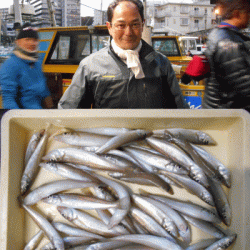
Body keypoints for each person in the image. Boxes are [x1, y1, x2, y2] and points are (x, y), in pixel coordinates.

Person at [58, 0, 189, 109]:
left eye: (135, 24)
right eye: (121, 25)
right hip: (110, 139)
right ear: (109, 27)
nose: (128, 32)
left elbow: (180, 111)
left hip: (151, 139)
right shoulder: (90, 66)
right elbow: (68, 112)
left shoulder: (161, 63)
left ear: (143, 25)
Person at [202, 0, 250, 111]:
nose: (249, 16)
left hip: (218, 110)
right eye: (247, 12)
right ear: (237, 13)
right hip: (227, 115)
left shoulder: (219, 34)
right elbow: (244, 85)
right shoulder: (228, 42)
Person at [0, 23, 53, 109]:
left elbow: (43, 90)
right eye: (27, 39)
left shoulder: (37, 62)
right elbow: (8, 99)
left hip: (38, 112)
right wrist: (19, 118)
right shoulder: (10, 65)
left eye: (35, 40)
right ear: (18, 42)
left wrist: (51, 108)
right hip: (23, 115)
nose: (32, 43)